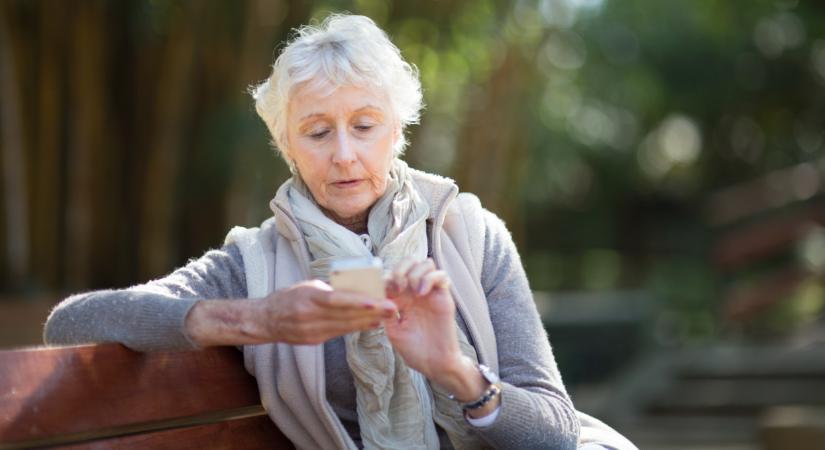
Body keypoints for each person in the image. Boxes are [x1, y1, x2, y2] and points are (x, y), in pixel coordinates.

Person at [44, 14, 635, 450]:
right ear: (286, 145)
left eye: (365, 125)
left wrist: (452, 368)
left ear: (398, 129)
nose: (345, 155)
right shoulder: (254, 263)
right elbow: (70, 321)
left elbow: (555, 433)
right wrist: (255, 319)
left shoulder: (470, 234)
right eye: (317, 132)